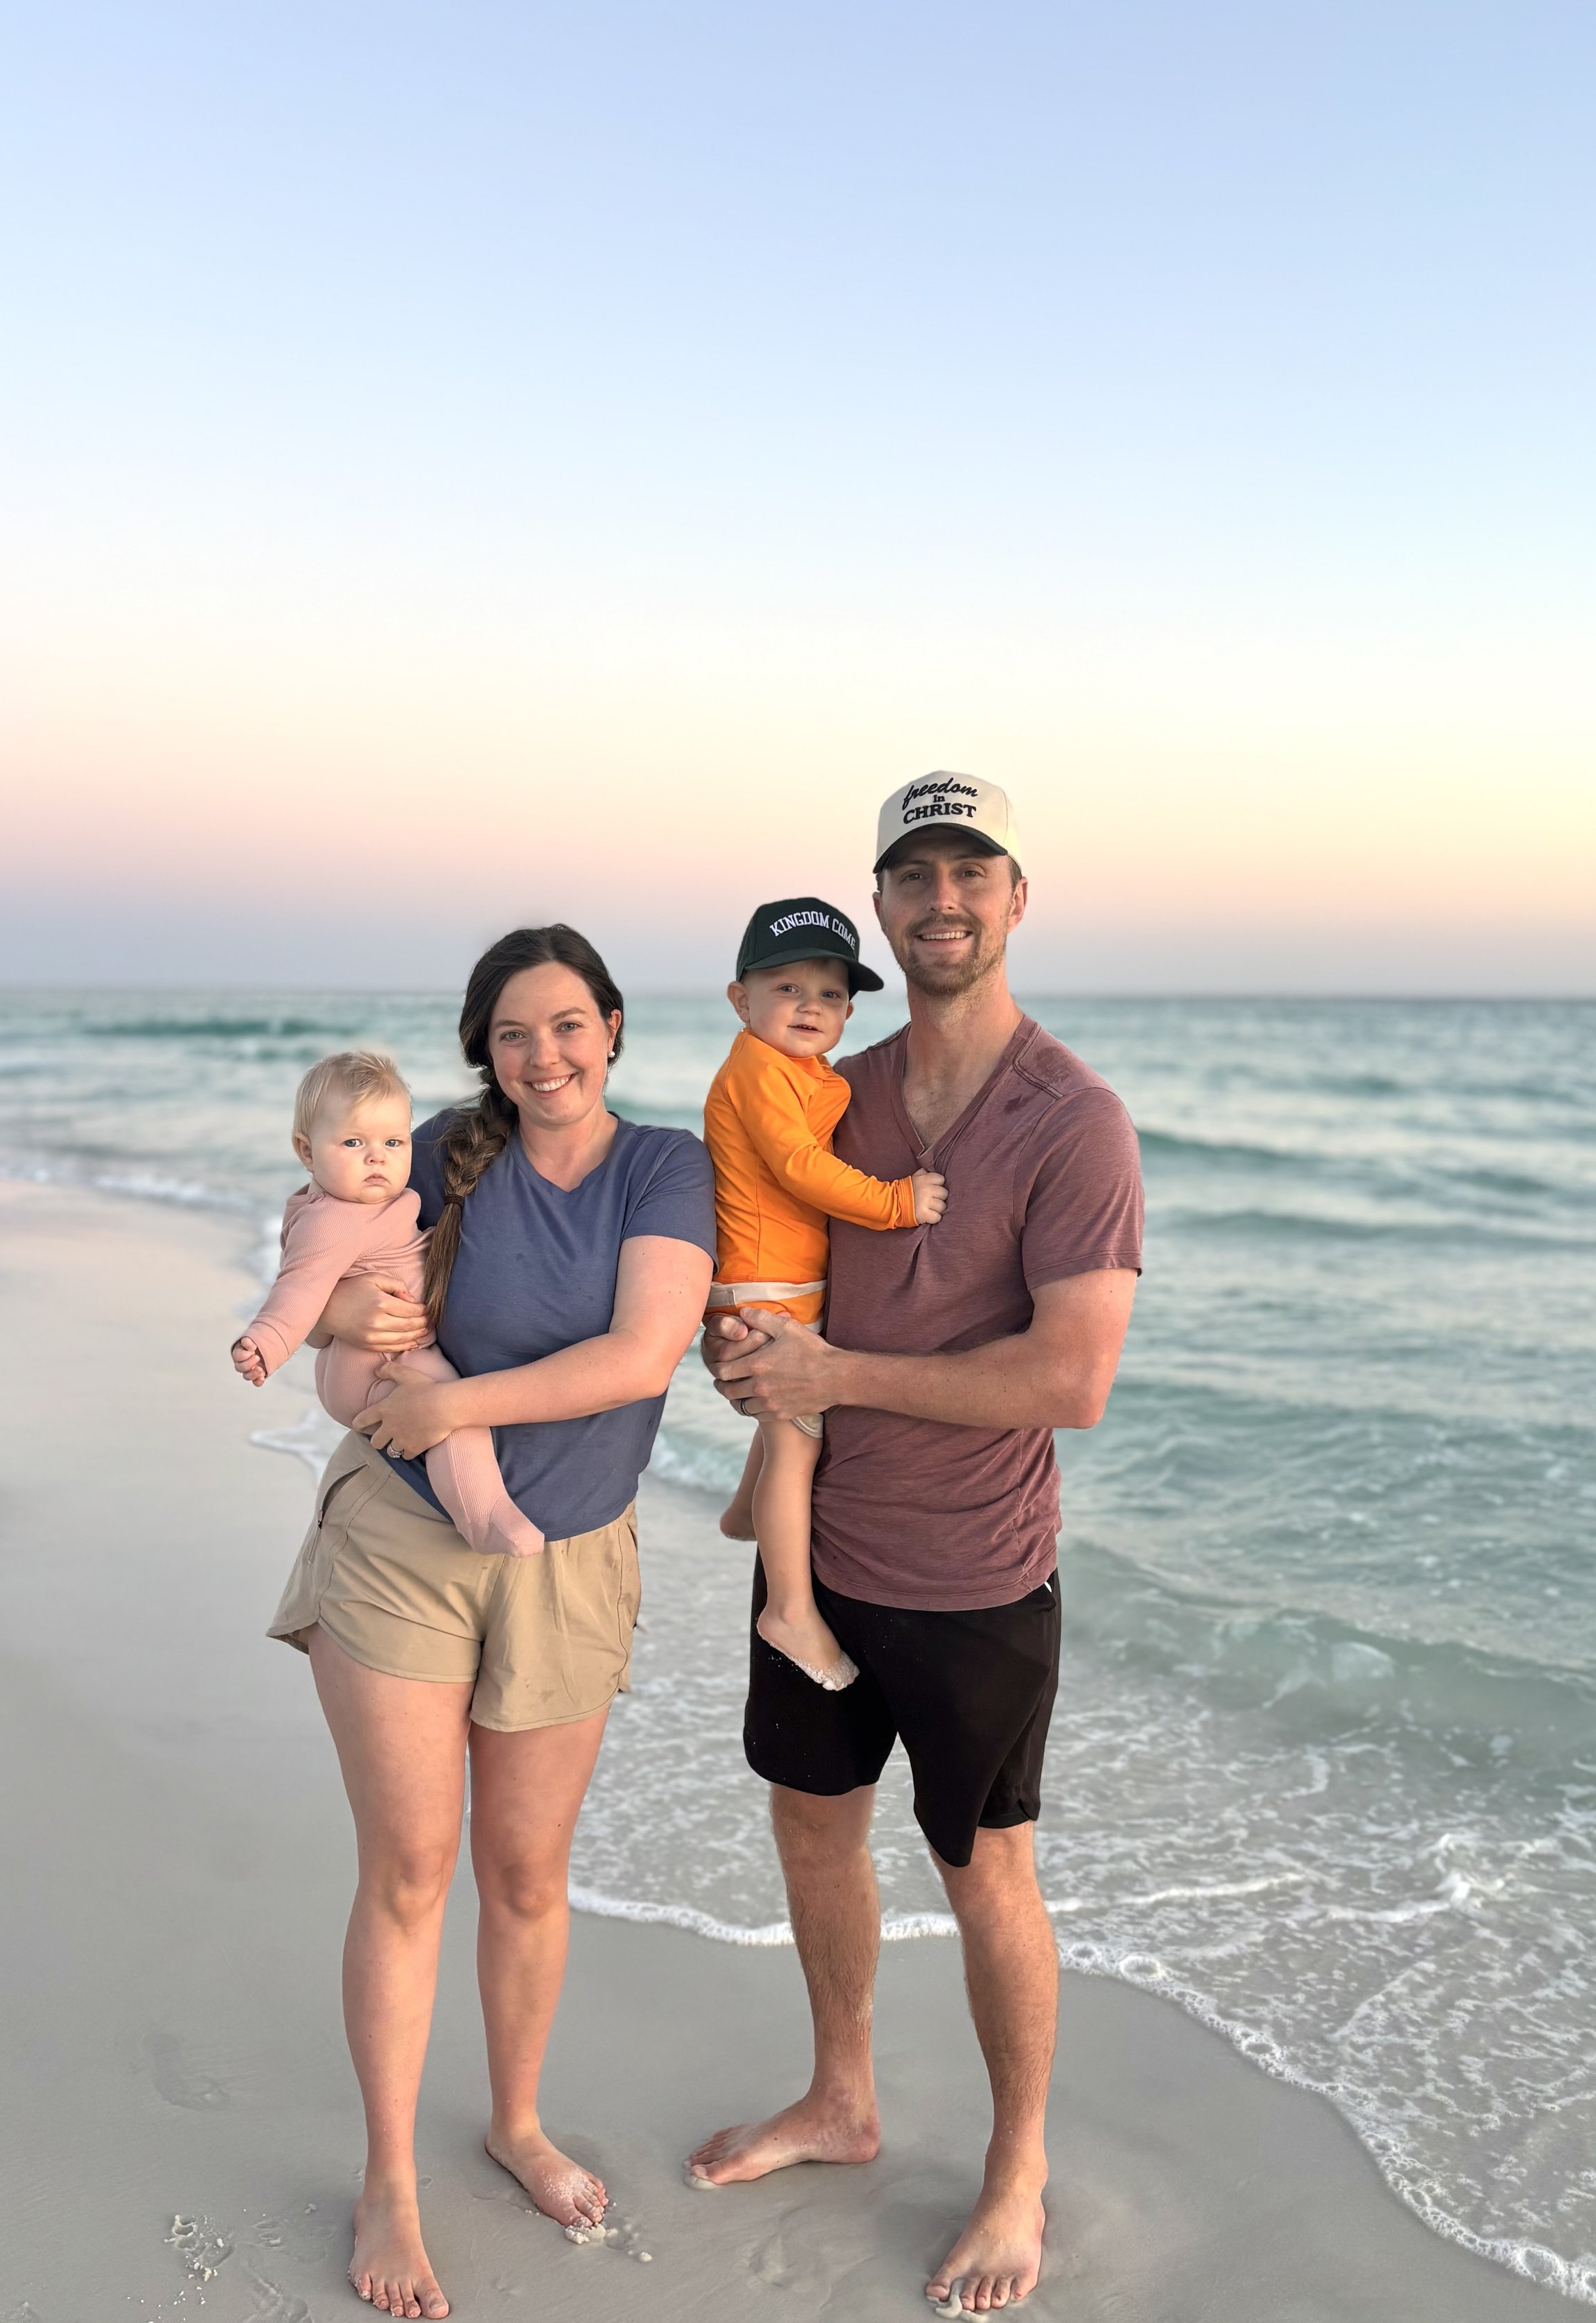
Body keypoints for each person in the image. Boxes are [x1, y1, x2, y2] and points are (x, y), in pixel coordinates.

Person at [689, 776, 1143, 2318]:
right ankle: (839, 2098)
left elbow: (1069, 1378)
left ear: (1016, 900)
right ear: (879, 911)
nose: (940, 900)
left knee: (983, 1870)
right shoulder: (831, 1087)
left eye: (970, 873)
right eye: (911, 877)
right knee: (812, 1828)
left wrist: (835, 1379)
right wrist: (739, 1352)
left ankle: (1013, 2167)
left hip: (973, 1574)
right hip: (817, 1556)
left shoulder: (1072, 1120)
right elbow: (765, 1255)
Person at [268, 926, 715, 2322]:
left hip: (566, 1562)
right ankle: (389, 2180)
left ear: (614, 1027)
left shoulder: (664, 1169)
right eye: (515, 1032)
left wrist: (452, 1401)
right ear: (485, 1049)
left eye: (568, 1023)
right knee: (409, 1867)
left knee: (526, 1873)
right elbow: (326, 1261)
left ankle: (516, 2122)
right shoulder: (447, 1150)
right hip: (402, 1540)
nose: (545, 1053)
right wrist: (342, 1310)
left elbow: (638, 1357)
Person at [704, 897, 946, 1689]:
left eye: (831, 994)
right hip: (765, 1285)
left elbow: (821, 1112)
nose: (811, 1006)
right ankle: (789, 1611)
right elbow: (800, 1168)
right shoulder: (755, 1068)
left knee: (783, 1425)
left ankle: (744, 1514)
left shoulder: (797, 1071)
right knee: (797, 1445)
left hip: (778, 1280)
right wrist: (897, 1203)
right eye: (786, 988)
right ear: (741, 1001)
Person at [232, 1048, 540, 1557]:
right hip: (380, 1363)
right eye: (354, 1142)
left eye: (394, 1142)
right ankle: (484, 1515)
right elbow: (298, 1288)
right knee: (449, 1412)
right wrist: (267, 1341)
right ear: (307, 1151)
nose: (377, 1157)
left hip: (368, 1357)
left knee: (444, 1404)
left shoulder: (348, 1203)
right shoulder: (333, 1218)